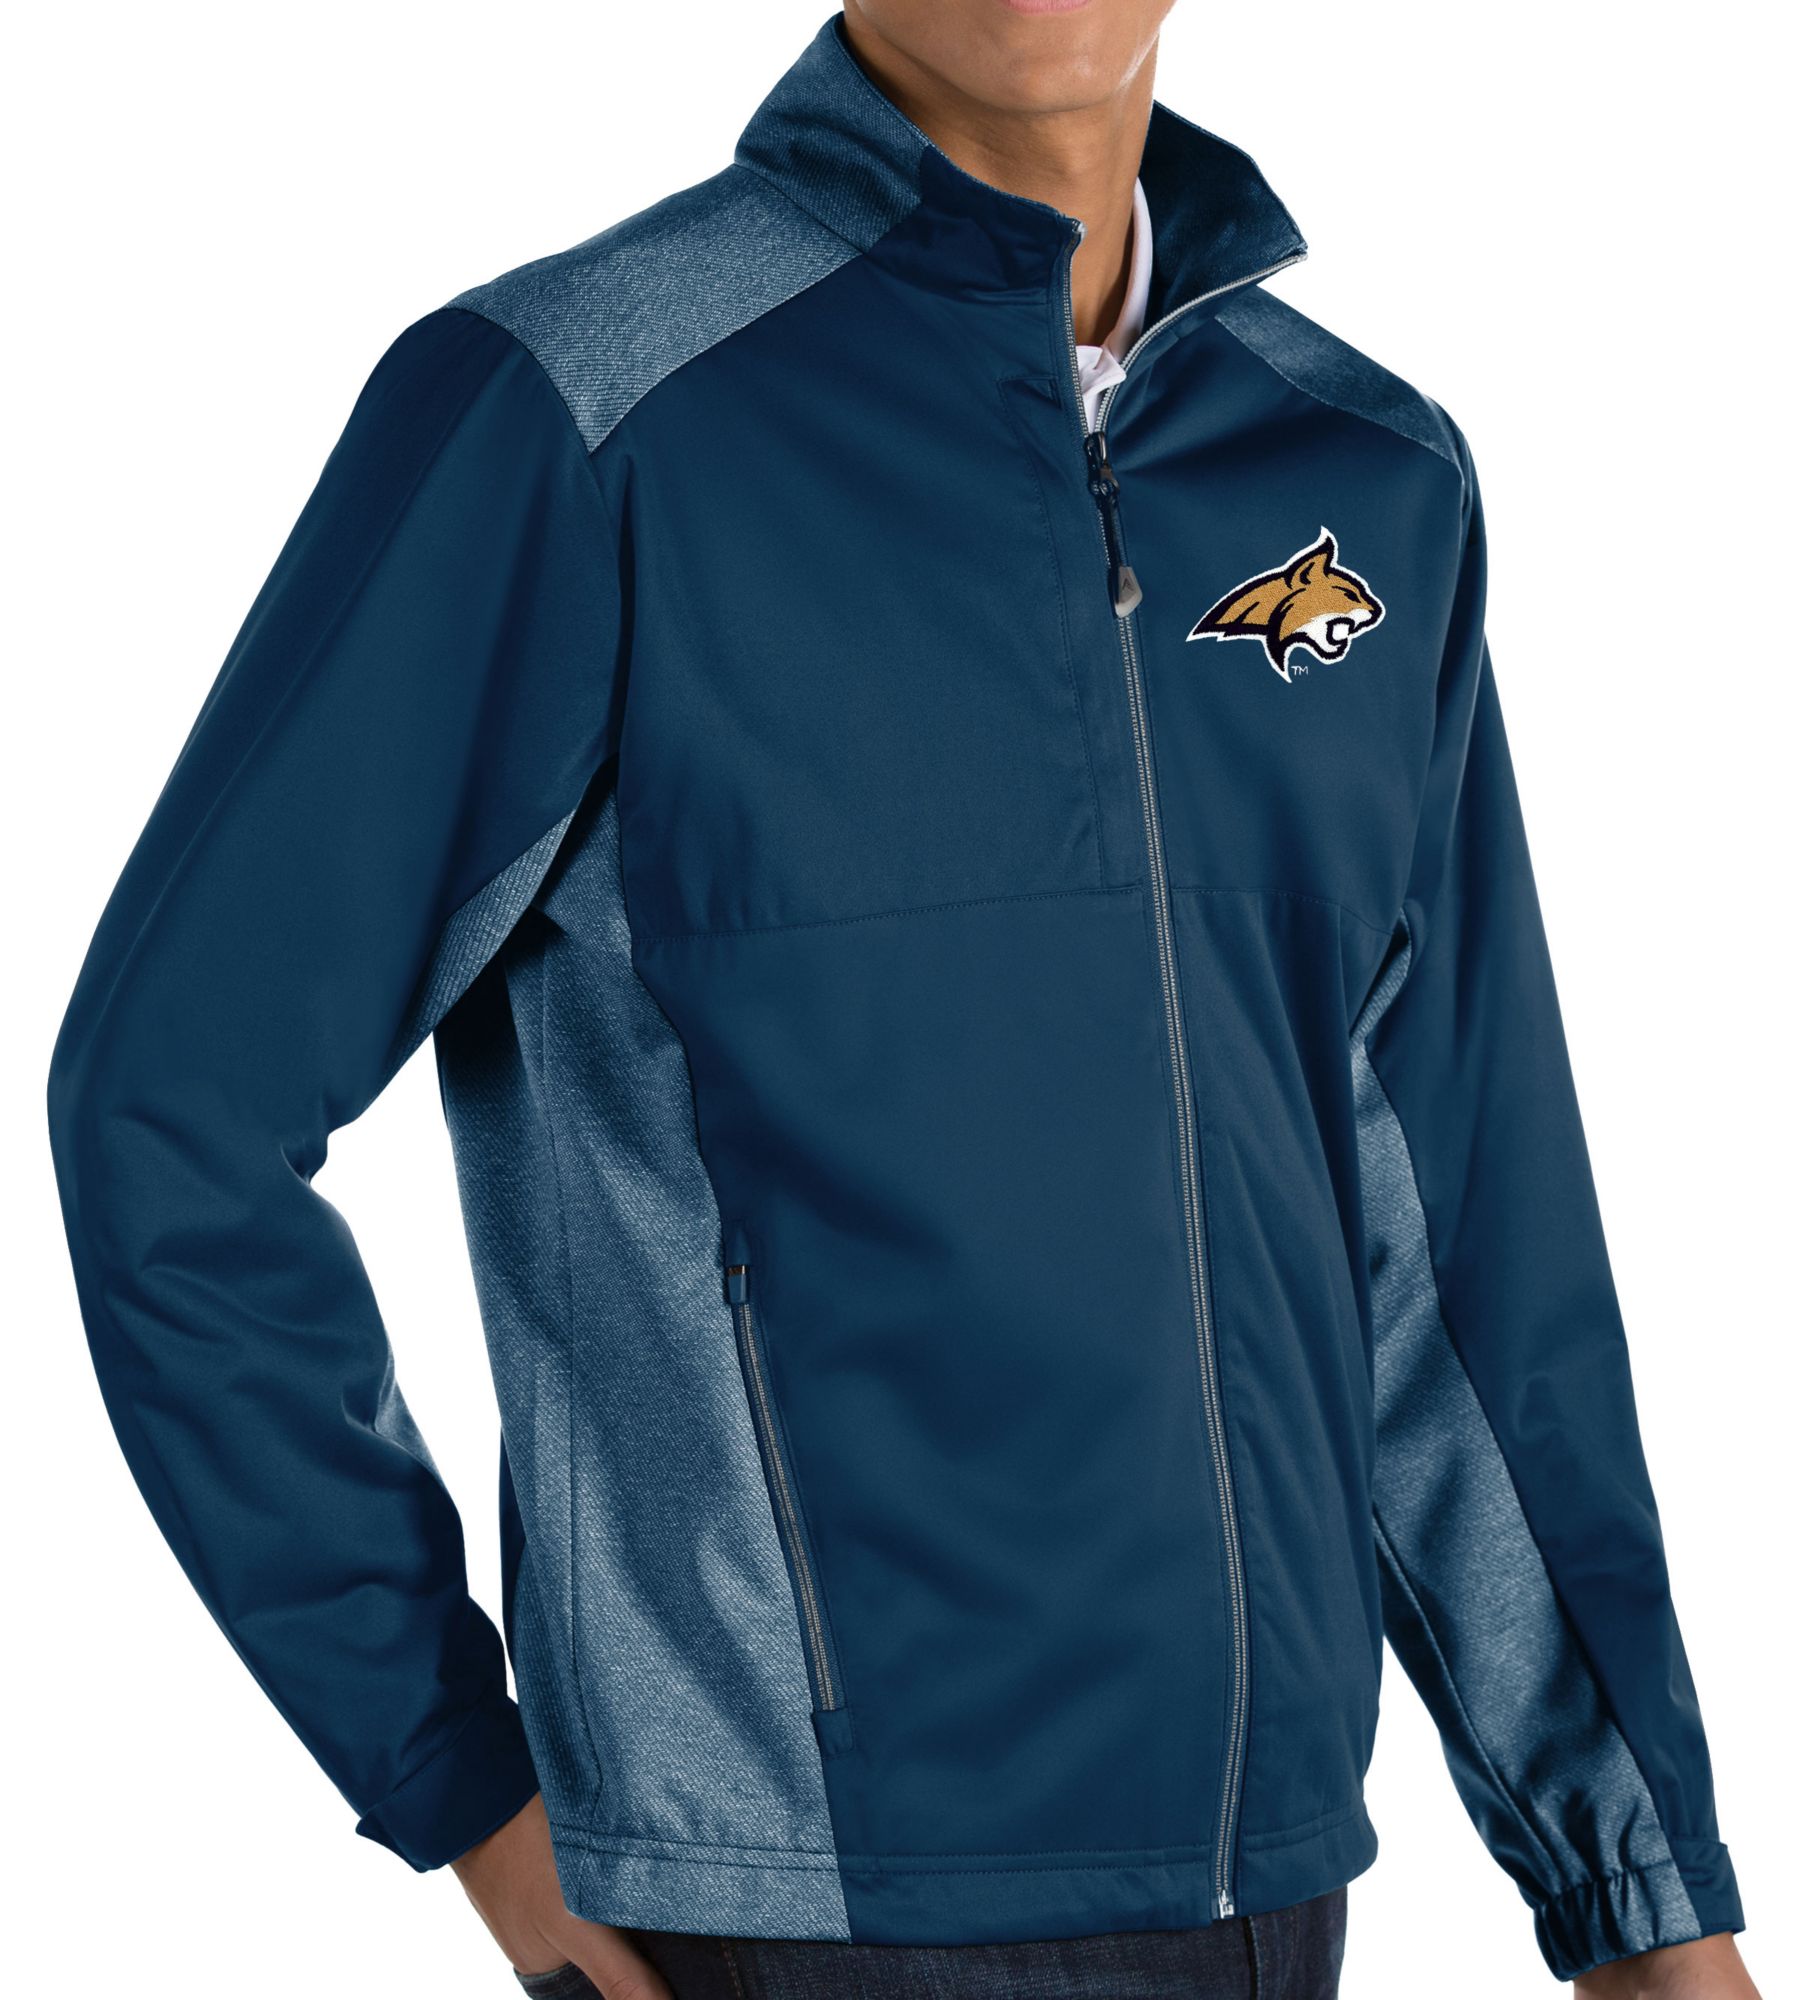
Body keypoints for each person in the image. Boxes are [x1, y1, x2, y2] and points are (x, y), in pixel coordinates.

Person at [46, 3, 1759, 1996]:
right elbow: (169, 1109)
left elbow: (1457, 1246)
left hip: (1265, 1889)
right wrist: (460, 1779)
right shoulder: (580, 416)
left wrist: (1641, 1890)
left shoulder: (1364, 474)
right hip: (783, 1912)